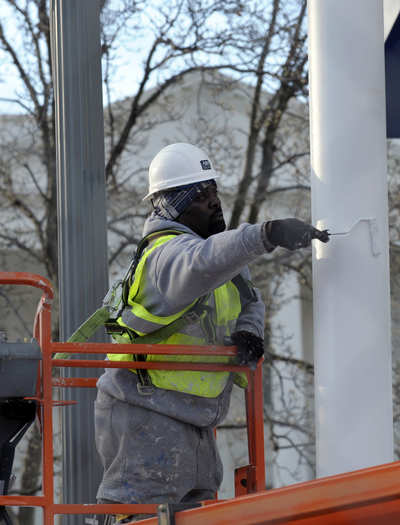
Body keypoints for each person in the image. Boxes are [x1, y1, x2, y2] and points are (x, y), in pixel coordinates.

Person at [94, 142, 328, 523]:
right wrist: (264, 234)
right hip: (145, 416)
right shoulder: (164, 257)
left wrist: (249, 333)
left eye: (214, 192)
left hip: (196, 420)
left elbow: (250, 300)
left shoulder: (215, 261)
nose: (215, 204)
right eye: (203, 196)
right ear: (173, 204)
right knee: (142, 517)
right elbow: (199, 265)